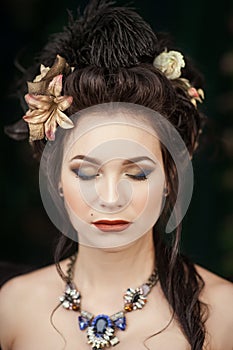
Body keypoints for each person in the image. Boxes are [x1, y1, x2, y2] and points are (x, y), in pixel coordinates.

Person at [0, 1, 233, 349]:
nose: (110, 198)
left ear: (170, 178)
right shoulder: (13, 307)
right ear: (57, 179)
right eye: (86, 173)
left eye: (137, 173)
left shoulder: (224, 313)